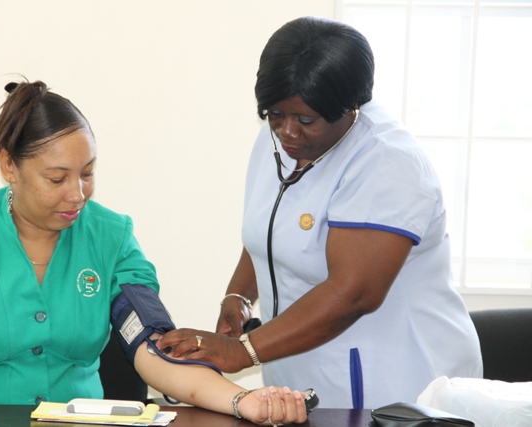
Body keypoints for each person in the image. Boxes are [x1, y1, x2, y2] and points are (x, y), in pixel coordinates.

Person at [0, 80, 309, 427]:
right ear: (8, 166)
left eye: (87, 173)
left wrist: (241, 401)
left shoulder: (111, 237)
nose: (78, 194)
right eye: (57, 178)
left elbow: (153, 347)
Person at [158, 17, 483, 409]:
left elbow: (353, 293)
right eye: (274, 114)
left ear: (351, 106)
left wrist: (239, 351)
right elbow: (270, 228)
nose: (288, 131)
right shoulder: (280, 140)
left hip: (397, 389)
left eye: (306, 120)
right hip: (299, 374)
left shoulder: (388, 163)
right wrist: (239, 296)